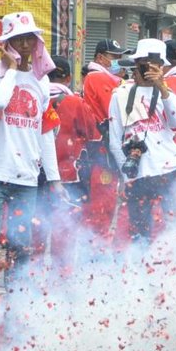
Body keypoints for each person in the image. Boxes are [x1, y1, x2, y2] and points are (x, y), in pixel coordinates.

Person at [0, 11, 61, 297]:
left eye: (28, 40)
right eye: (17, 40)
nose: (23, 46)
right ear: (6, 44)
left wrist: (55, 178)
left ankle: (16, 301)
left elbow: (44, 132)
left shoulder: (42, 82)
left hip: (27, 177)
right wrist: (10, 69)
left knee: (20, 244)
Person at [105, 38, 176, 241]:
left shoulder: (169, 95)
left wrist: (162, 88)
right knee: (140, 231)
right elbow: (115, 140)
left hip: (168, 170)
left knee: (175, 227)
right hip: (138, 173)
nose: (150, 69)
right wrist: (127, 175)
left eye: (156, 64)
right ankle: (140, 269)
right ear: (137, 63)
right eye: (146, 63)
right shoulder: (120, 95)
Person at [45, 57, 100, 266]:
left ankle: (25, 283)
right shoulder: (75, 102)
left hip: (34, 176)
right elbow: (90, 132)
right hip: (68, 177)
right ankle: (61, 283)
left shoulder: (32, 96)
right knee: (64, 232)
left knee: (33, 231)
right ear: (68, 78)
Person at [79, 39, 126, 240]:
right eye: (113, 57)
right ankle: (96, 244)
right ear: (100, 57)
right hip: (102, 145)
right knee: (103, 198)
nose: (117, 61)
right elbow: (114, 110)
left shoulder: (102, 77)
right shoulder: (98, 77)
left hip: (103, 143)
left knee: (105, 196)